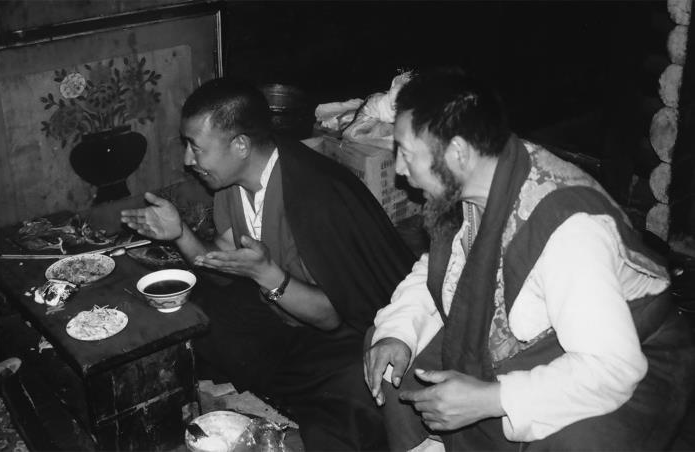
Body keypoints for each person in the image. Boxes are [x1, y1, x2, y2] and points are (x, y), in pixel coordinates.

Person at [363, 67, 695, 451]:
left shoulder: (570, 232)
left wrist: (491, 399)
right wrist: (398, 331)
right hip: (534, 333)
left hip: (631, 354)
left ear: (457, 153)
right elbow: (443, 269)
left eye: (405, 154)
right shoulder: (476, 174)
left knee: (575, 445)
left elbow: (612, 367)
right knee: (390, 359)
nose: (399, 169)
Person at [120, 77, 415, 450]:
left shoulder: (312, 196)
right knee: (193, 309)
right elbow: (219, 259)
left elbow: (329, 316)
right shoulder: (233, 183)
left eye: (196, 148)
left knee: (360, 399)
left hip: (346, 334)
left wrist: (267, 274)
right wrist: (179, 232)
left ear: (240, 146)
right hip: (281, 314)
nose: (188, 160)